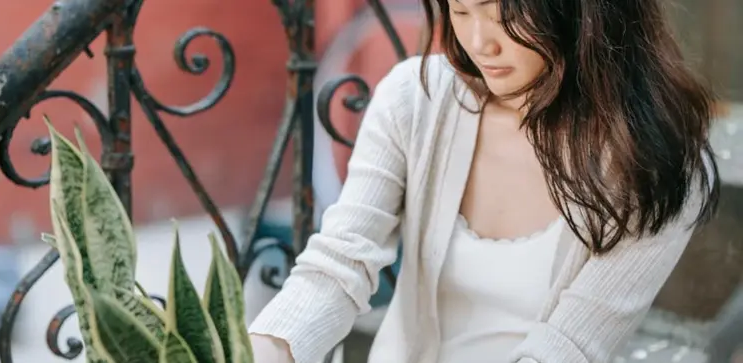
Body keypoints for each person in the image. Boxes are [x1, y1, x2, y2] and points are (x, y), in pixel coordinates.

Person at [248, 0, 721, 362]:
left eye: (504, 16)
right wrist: (265, 349)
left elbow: (570, 347)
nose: (480, 42)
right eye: (460, 10)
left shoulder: (655, 162)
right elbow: (337, 268)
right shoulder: (415, 100)